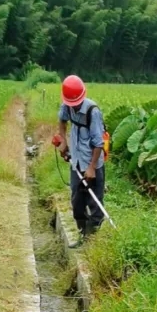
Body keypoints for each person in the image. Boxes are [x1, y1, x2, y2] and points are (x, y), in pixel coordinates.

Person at [57, 75, 106, 243]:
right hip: (76, 162)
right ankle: (83, 234)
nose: (74, 106)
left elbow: (99, 143)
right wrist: (63, 141)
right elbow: (62, 122)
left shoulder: (93, 112)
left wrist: (92, 167)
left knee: (95, 204)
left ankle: (91, 243)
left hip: (92, 164)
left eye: (76, 102)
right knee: (77, 202)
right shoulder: (67, 106)